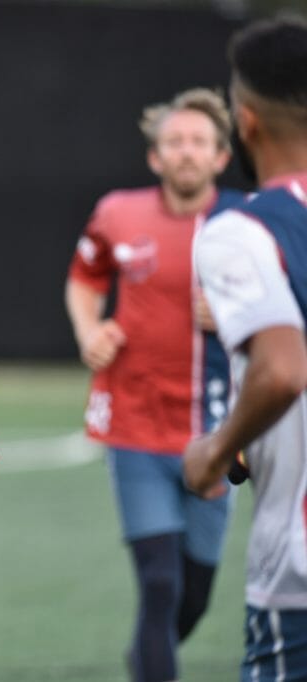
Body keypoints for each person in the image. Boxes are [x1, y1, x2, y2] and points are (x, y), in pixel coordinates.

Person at [65, 88, 243, 681]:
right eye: (174, 141)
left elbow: (286, 316)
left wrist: (235, 313)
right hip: (136, 428)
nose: (186, 152)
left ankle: (145, 660)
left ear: (221, 156)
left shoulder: (247, 224)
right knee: (161, 585)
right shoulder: (117, 212)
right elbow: (84, 279)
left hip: (218, 437)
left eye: (199, 142)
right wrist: (90, 330)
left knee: (192, 598)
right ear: (155, 157)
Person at [184, 15, 307, 682]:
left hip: (297, 577)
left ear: (247, 121)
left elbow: (283, 372)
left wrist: (213, 451)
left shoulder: (243, 230)